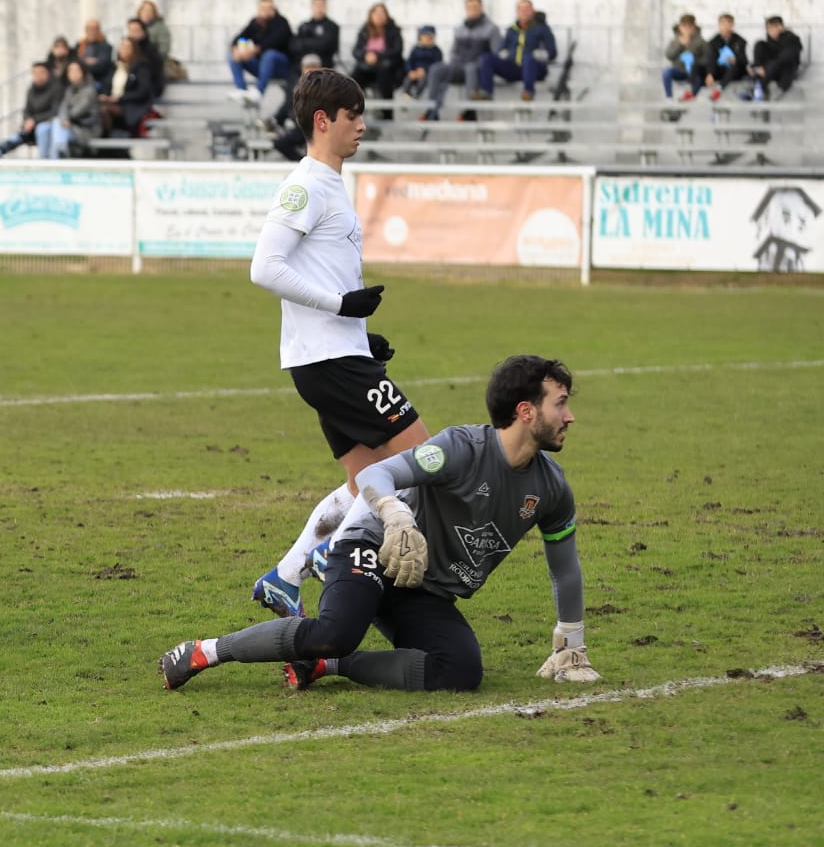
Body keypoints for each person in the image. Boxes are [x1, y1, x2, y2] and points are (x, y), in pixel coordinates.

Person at [160, 355, 596, 694]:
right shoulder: (460, 449)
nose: (570, 416)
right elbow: (373, 475)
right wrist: (396, 514)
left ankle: (325, 666)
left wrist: (571, 639)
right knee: (334, 633)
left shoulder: (552, 488)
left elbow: (565, 567)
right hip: (369, 546)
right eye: (560, 404)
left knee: (460, 670)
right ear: (525, 411)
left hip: (419, 586)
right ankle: (205, 651)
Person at [244, 69, 433, 619]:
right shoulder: (304, 185)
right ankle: (330, 554)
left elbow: (320, 272)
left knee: (365, 485)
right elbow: (264, 267)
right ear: (323, 121)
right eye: (353, 116)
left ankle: (284, 577)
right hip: (328, 362)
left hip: (334, 356)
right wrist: (339, 309)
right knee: (424, 463)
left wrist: (358, 333)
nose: (362, 126)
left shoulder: (329, 185)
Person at [425, 0, 501, 119]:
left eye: (475, 7)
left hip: (477, 69)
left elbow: (496, 53)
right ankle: (432, 109)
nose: (472, 10)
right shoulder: (459, 29)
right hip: (459, 67)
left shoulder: (492, 29)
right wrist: (454, 61)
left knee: (470, 68)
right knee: (436, 69)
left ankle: (470, 110)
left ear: (481, 8)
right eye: (469, 7)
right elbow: (453, 51)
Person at [475, 0, 557, 102]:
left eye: (527, 9)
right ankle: (486, 91)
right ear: (517, 12)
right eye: (521, 9)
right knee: (486, 58)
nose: (524, 12)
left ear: (532, 11)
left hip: (535, 69)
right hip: (514, 68)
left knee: (528, 57)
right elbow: (501, 49)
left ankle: (528, 92)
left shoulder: (542, 29)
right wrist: (503, 53)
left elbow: (552, 52)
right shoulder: (512, 30)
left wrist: (538, 54)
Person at [0, 62, 63, 159]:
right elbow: (27, 110)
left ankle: (44, 161)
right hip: (33, 127)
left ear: (48, 73)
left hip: (50, 126)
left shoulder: (57, 88)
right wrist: (28, 120)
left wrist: (34, 120)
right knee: (18, 136)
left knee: (42, 129)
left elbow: (56, 111)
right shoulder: (32, 89)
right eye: (35, 73)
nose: (38, 76)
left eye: (41, 72)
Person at [229, 0, 293, 105]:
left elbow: (274, 41)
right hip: (262, 67)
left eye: (269, 8)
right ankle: (241, 89)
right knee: (233, 56)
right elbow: (241, 37)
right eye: (263, 8)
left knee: (269, 55)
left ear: (273, 8)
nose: (266, 11)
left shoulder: (281, 22)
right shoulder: (255, 23)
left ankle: (259, 90)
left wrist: (253, 50)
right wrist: (237, 49)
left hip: (281, 67)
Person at [105, 35, 163, 135]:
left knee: (103, 110)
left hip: (132, 106)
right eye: (122, 46)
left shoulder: (141, 67)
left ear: (134, 49)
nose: (124, 49)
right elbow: (107, 85)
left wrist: (120, 98)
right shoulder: (115, 67)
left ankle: (108, 143)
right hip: (114, 102)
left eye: (127, 47)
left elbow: (142, 91)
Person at [349, 3, 406, 105]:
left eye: (382, 13)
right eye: (376, 13)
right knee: (353, 79)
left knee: (385, 75)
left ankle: (386, 112)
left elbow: (397, 50)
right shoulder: (364, 31)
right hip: (366, 68)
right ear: (371, 15)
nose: (379, 16)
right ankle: (354, 109)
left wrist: (377, 56)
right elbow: (356, 50)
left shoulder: (394, 31)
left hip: (387, 69)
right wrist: (366, 55)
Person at [747, 16, 803, 101]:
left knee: (774, 64)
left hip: (786, 72)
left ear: (781, 27)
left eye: (774, 27)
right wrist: (756, 68)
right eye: (768, 28)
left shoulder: (791, 39)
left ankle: (756, 90)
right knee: (760, 44)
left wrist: (765, 69)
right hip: (769, 71)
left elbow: (785, 58)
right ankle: (756, 88)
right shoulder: (768, 42)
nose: (771, 31)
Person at [56, 58, 101, 155]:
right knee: (51, 126)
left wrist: (65, 119)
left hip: (86, 129)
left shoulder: (90, 90)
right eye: (70, 71)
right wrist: (64, 119)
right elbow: (63, 107)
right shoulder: (69, 90)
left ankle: (58, 156)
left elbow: (78, 111)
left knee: (57, 125)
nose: (73, 73)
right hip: (71, 126)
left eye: (76, 70)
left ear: (83, 72)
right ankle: (52, 156)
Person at [661, 13, 709, 101]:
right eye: (684, 26)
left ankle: (690, 96)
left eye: (689, 26)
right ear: (680, 27)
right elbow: (669, 55)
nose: (687, 29)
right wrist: (680, 45)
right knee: (666, 71)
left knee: (699, 79)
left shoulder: (701, 42)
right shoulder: (675, 40)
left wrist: (694, 60)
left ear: (694, 27)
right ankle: (669, 98)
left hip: (693, 72)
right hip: (679, 71)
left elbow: (707, 58)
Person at [291, 0, 341, 71]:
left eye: (321, 5)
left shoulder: (332, 26)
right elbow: (295, 46)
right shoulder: (304, 26)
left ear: (326, 7)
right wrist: (316, 43)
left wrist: (305, 43)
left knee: (312, 63)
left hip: (324, 63)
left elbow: (326, 46)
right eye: (316, 5)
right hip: (303, 63)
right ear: (312, 7)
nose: (319, 8)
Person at [704, 14, 748, 99]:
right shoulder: (713, 42)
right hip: (721, 70)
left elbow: (745, 61)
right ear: (719, 25)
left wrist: (736, 60)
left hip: (736, 71)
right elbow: (711, 59)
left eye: (729, 24)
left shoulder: (740, 41)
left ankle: (719, 89)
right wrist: (710, 73)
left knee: (734, 67)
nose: (726, 27)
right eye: (723, 24)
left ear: (732, 25)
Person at [137, 0, 181, 82]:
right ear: (140, 12)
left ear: (154, 13)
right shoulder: (135, 26)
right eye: (144, 10)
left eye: (150, 11)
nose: (147, 13)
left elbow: (163, 49)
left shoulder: (160, 27)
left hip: (153, 63)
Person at [402, 25, 443, 114]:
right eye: (424, 37)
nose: (426, 39)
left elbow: (438, 65)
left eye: (429, 37)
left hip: (427, 74)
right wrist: (410, 71)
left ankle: (416, 95)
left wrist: (425, 71)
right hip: (415, 72)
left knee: (423, 81)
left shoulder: (436, 51)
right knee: (408, 80)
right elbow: (409, 61)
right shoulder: (415, 49)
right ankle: (406, 96)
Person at [76, 20, 115, 93]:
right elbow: (75, 63)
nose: (92, 31)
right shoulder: (79, 45)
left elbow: (101, 66)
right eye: (89, 29)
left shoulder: (105, 46)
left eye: (95, 29)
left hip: (99, 82)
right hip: (80, 81)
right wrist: (89, 61)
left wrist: (83, 62)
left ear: (99, 30)